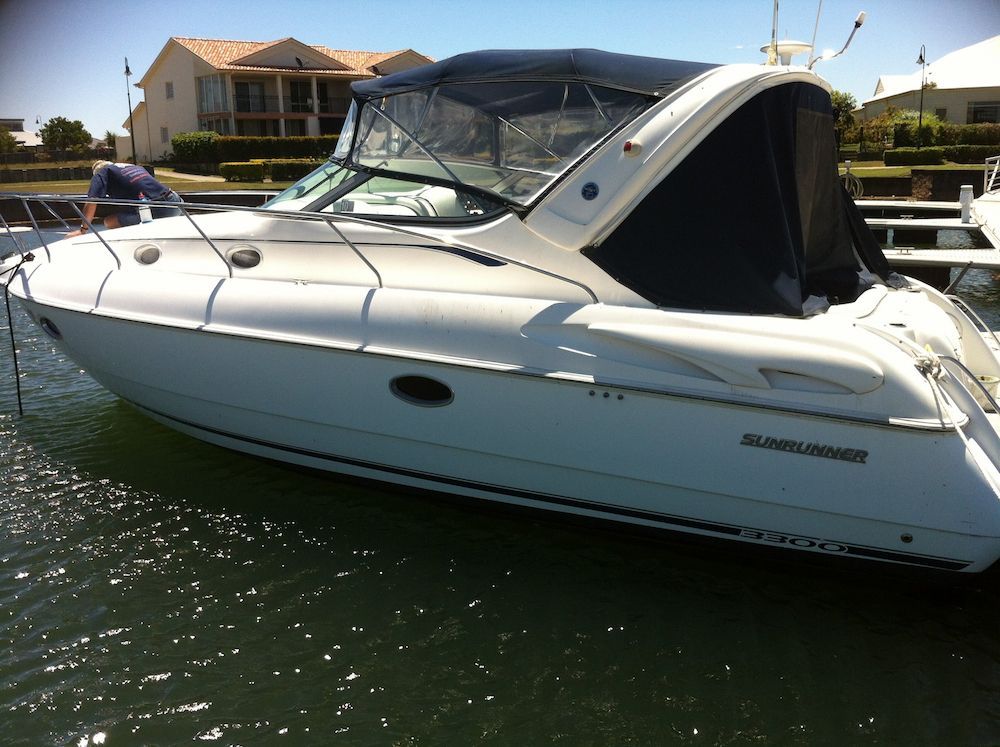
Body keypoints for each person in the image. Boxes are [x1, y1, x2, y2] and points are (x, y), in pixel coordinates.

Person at [66, 160, 182, 237]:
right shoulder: (133, 167)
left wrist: (83, 230)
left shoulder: (102, 173)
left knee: (109, 222)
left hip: (155, 211)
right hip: (176, 202)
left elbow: (92, 201)